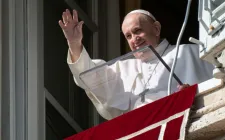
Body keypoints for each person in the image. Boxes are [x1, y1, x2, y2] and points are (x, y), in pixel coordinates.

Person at [59, 9, 213, 120]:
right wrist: (74, 43)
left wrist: (195, 93)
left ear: (156, 29)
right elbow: (89, 77)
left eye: (138, 31)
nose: (134, 39)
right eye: (128, 36)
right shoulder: (124, 68)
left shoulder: (189, 52)